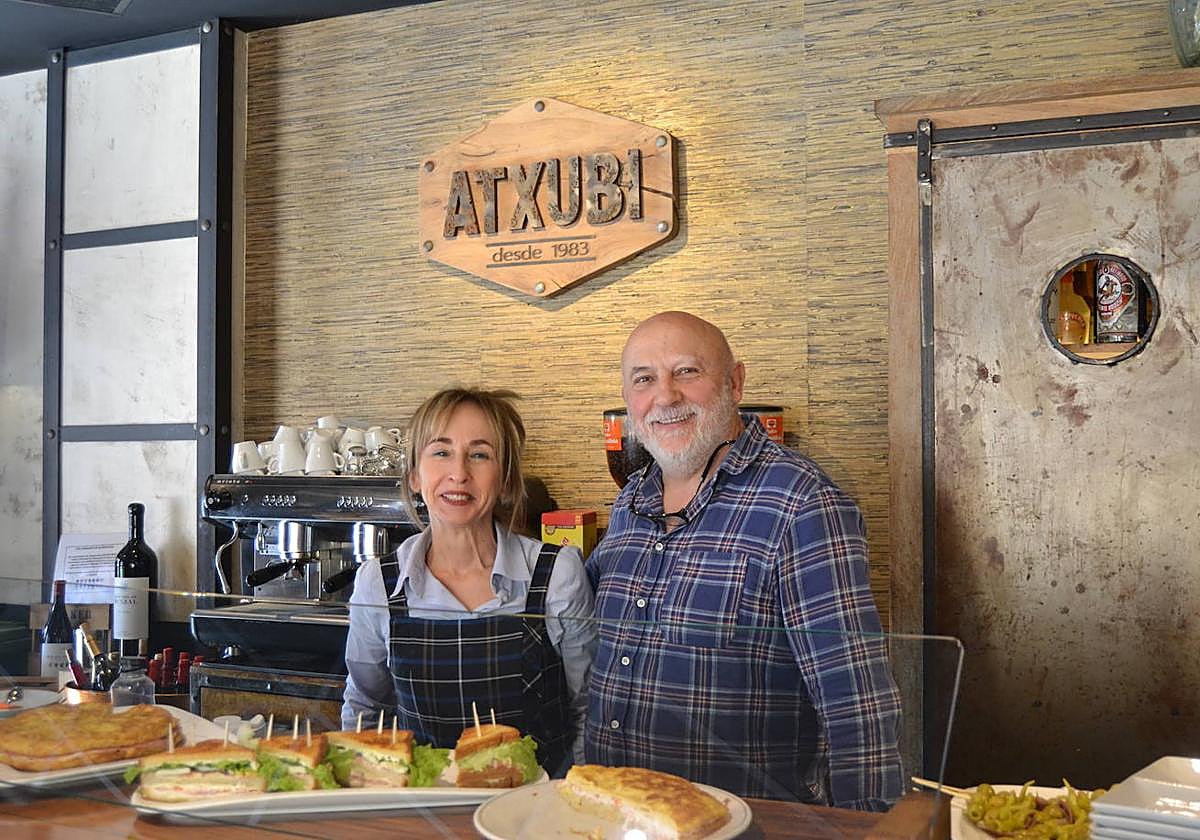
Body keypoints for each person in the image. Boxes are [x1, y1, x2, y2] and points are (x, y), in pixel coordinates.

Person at [585, 311, 902, 809]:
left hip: (746, 824)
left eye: (687, 371)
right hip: (613, 815)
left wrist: (868, 829)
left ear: (735, 383)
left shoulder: (801, 503)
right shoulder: (631, 502)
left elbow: (857, 704)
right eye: (644, 379)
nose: (665, 396)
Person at [342, 388, 597, 774]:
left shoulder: (556, 574)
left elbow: (588, 709)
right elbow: (366, 707)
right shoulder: (378, 583)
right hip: (422, 804)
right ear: (414, 475)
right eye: (441, 452)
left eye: (479, 455)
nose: (459, 473)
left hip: (533, 804)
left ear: (506, 480)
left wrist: (566, 794)